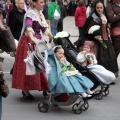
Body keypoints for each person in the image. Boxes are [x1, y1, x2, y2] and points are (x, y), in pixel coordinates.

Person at [12, 0, 53, 100]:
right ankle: (25, 91)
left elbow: (43, 29)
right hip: (29, 42)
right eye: (41, 2)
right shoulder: (30, 13)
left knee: (43, 64)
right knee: (29, 66)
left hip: (38, 42)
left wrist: (52, 36)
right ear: (34, 3)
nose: (43, 4)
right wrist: (33, 38)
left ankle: (45, 88)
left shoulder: (40, 14)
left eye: (43, 2)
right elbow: (28, 27)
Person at [78, 1, 119, 78]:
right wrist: (94, 36)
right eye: (98, 8)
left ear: (103, 8)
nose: (99, 9)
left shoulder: (104, 16)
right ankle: (101, 77)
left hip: (106, 40)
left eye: (101, 8)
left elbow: (106, 26)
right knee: (100, 59)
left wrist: (107, 30)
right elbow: (86, 31)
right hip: (97, 42)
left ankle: (110, 76)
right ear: (95, 8)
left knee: (110, 58)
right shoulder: (92, 18)